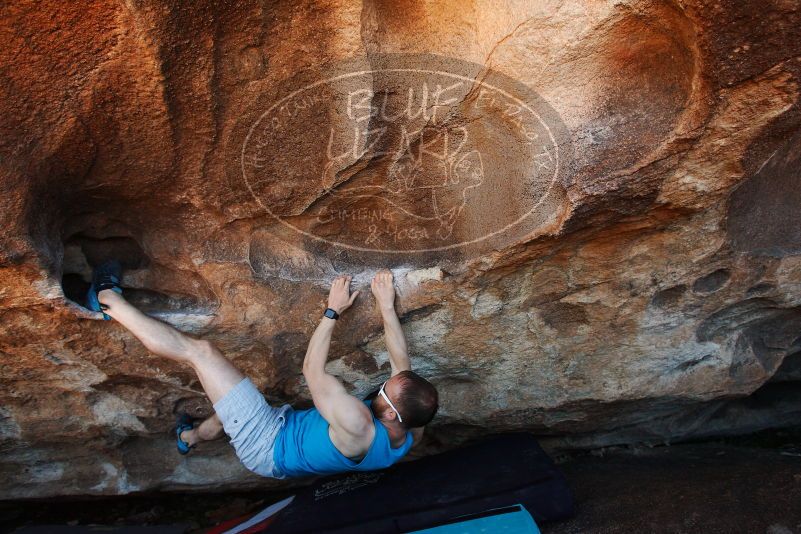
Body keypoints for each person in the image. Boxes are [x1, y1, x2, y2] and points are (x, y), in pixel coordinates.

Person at [87, 262, 438, 479]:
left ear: (391, 415)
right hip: (284, 441)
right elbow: (400, 364)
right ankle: (188, 438)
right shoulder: (409, 430)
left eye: (382, 393)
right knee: (230, 408)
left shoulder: (358, 423)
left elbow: (311, 370)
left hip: (266, 443)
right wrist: (386, 305)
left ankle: (107, 300)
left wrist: (332, 311)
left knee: (203, 353)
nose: (379, 389)